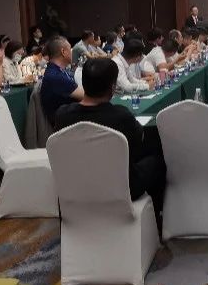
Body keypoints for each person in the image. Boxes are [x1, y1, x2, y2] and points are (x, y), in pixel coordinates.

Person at [54, 58, 163, 204]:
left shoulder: (62, 115)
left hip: (76, 187)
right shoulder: (121, 116)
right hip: (121, 187)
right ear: (112, 87)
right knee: (157, 158)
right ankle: (157, 212)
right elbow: (139, 140)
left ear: (83, 84)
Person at [39, 37, 84, 126]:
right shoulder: (56, 76)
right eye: (70, 49)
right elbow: (85, 96)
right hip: (66, 123)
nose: (71, 52)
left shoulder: (57, 70)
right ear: (63, 52)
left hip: (69, 115)